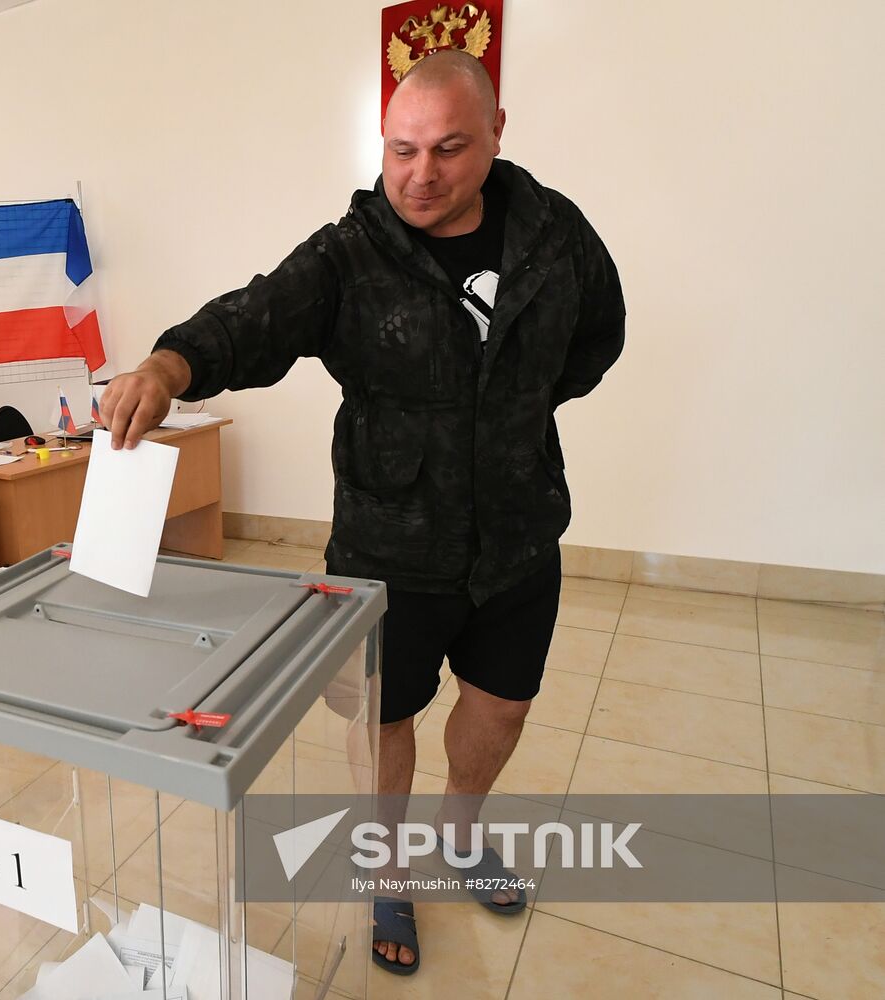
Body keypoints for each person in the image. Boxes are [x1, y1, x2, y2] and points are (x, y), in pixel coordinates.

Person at [101, 51, 625, 975]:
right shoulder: (352, 252)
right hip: (390, 541)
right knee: (385, 718)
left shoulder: (555, 234)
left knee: (502, 707)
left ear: (497, 136)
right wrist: (168, 365)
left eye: (449, 149)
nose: (421, 174)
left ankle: (461, 836)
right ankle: (388, 873)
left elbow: (598, 337)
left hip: (518, 529)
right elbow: (254, 317)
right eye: (401, 151)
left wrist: (509, 413)